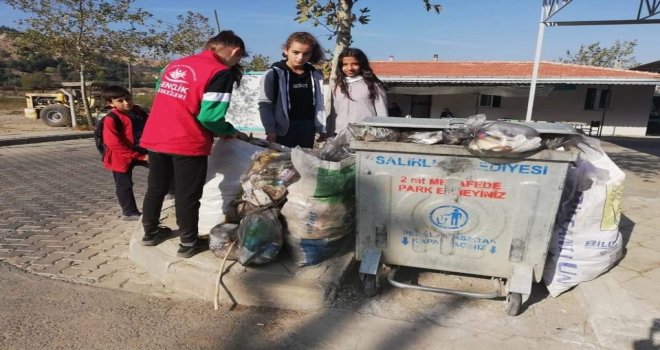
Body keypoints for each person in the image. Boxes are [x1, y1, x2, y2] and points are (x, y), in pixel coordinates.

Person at [139, 30, 247, 258]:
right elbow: (209, 117)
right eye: (239, 59)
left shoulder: (174, 65)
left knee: (156, 187)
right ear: (236, 51)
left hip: (156, 135)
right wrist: (228, 131)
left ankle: (150, 233)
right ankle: (188, 243)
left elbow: (163, 97)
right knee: (187, 194)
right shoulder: (219, 72)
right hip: (186, 140)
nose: (236, 62)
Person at [258, 31, 326, 148]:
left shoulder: (315, 75)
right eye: (295, 52)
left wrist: (321, 127)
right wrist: (270, 130)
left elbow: (320, 104)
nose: (300, 57)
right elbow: (265, 104)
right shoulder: (273, 74)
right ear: (286, 50)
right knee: (280, 164)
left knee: (303, 163)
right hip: (282, 130)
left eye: (306, 54)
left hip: (307, 129)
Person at [100, 85, 149, 221]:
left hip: (142, 151)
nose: (126, 103)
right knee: (124, 184)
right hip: (120, 156)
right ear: (110, 103)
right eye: (120, 101)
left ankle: (171, 193)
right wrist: (140, 156)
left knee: (162, 168)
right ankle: (129, 212)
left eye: (128, 98)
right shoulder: (111, 119)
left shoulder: (139, 112)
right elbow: (114, 144)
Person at [326, 47, 387, 137]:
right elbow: (337, 111)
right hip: (340, 134)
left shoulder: (373, 85)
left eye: (355, 64)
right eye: (345, 64)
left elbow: (382, 114)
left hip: (366, 136)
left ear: (362, 64)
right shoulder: (337, 86)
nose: (349, 68)